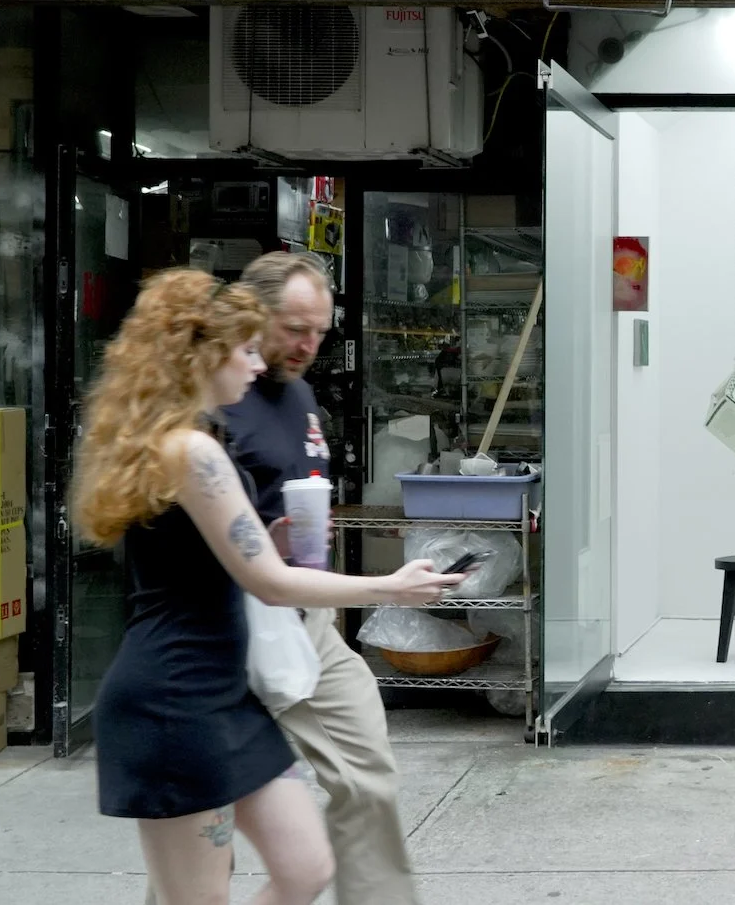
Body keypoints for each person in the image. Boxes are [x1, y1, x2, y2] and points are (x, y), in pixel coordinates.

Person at [75, 268, 464, 905]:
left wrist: (271, 543)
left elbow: (221, 556)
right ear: (207, 353)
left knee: (305, 867)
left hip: (220, 688)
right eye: (249, 347)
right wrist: (390, 587)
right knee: (198, 893)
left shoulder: (189, 441)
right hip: (179, 694)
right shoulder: (193, 450)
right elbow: (271, 584)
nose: (259, 364)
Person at [224, 251, 420, 905]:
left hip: (305, 612)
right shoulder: (217, 399)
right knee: (204, 809)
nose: (309, 345)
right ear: (251, 314)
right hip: (233, 621)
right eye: (294, 329)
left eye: (319, 330)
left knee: (368, 775)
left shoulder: (301, 393)